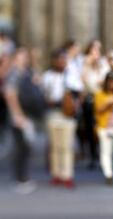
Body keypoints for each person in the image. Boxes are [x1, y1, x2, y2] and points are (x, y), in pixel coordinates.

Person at [4, 48, 45, 194]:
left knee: (26, 147)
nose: (24, 59)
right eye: (21, 57)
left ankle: (23, 177)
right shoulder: (14, 73)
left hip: (27, 115)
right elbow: (10, 94)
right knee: (22, 147)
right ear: (15, 58)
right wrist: (18, 114)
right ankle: (21, 179)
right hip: (19, 116)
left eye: (25, 57)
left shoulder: (26, 72)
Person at [42, 50, 77, 189]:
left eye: (64, 60)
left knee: (67, 146)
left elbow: (79, 92)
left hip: (67, 113)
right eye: (60, 60)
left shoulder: (71, 76)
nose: (62, 63)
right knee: (55, 146)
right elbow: (43, 93)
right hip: (53, 112)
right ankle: (56, 173)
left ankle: (67, 175)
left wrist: (73, 104)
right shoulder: (47, 76)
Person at [81, 41, 107, 169]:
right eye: (93, 51)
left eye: (97, 51)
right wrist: (87, 65)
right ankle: (93, 156)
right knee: (91, 129)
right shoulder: (85, 65)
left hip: (102, 99)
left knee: (102, 128)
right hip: (90, 100)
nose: (95, 54)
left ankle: (103, 156)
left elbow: (106, 80)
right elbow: (84, 81)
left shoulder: (103, 64)